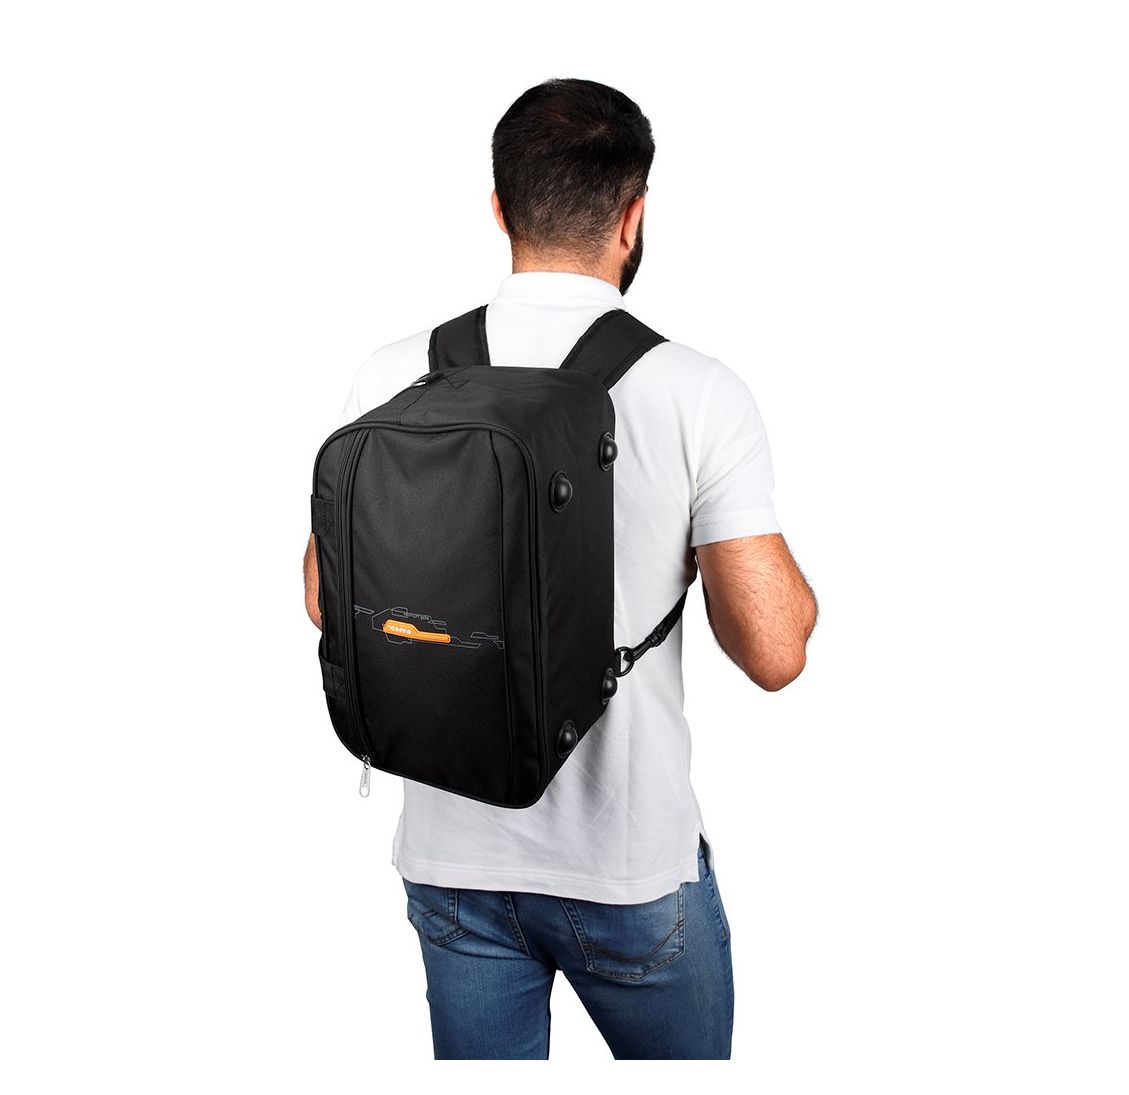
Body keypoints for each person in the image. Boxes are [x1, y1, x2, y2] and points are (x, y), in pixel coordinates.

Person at [303, 78, 817, 1060]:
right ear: (632, 216)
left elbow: (328, 600)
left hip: (451, 863)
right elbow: (774, 652)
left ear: (500, 208)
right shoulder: (697, 391)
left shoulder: (390, 373)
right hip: (626, 871)